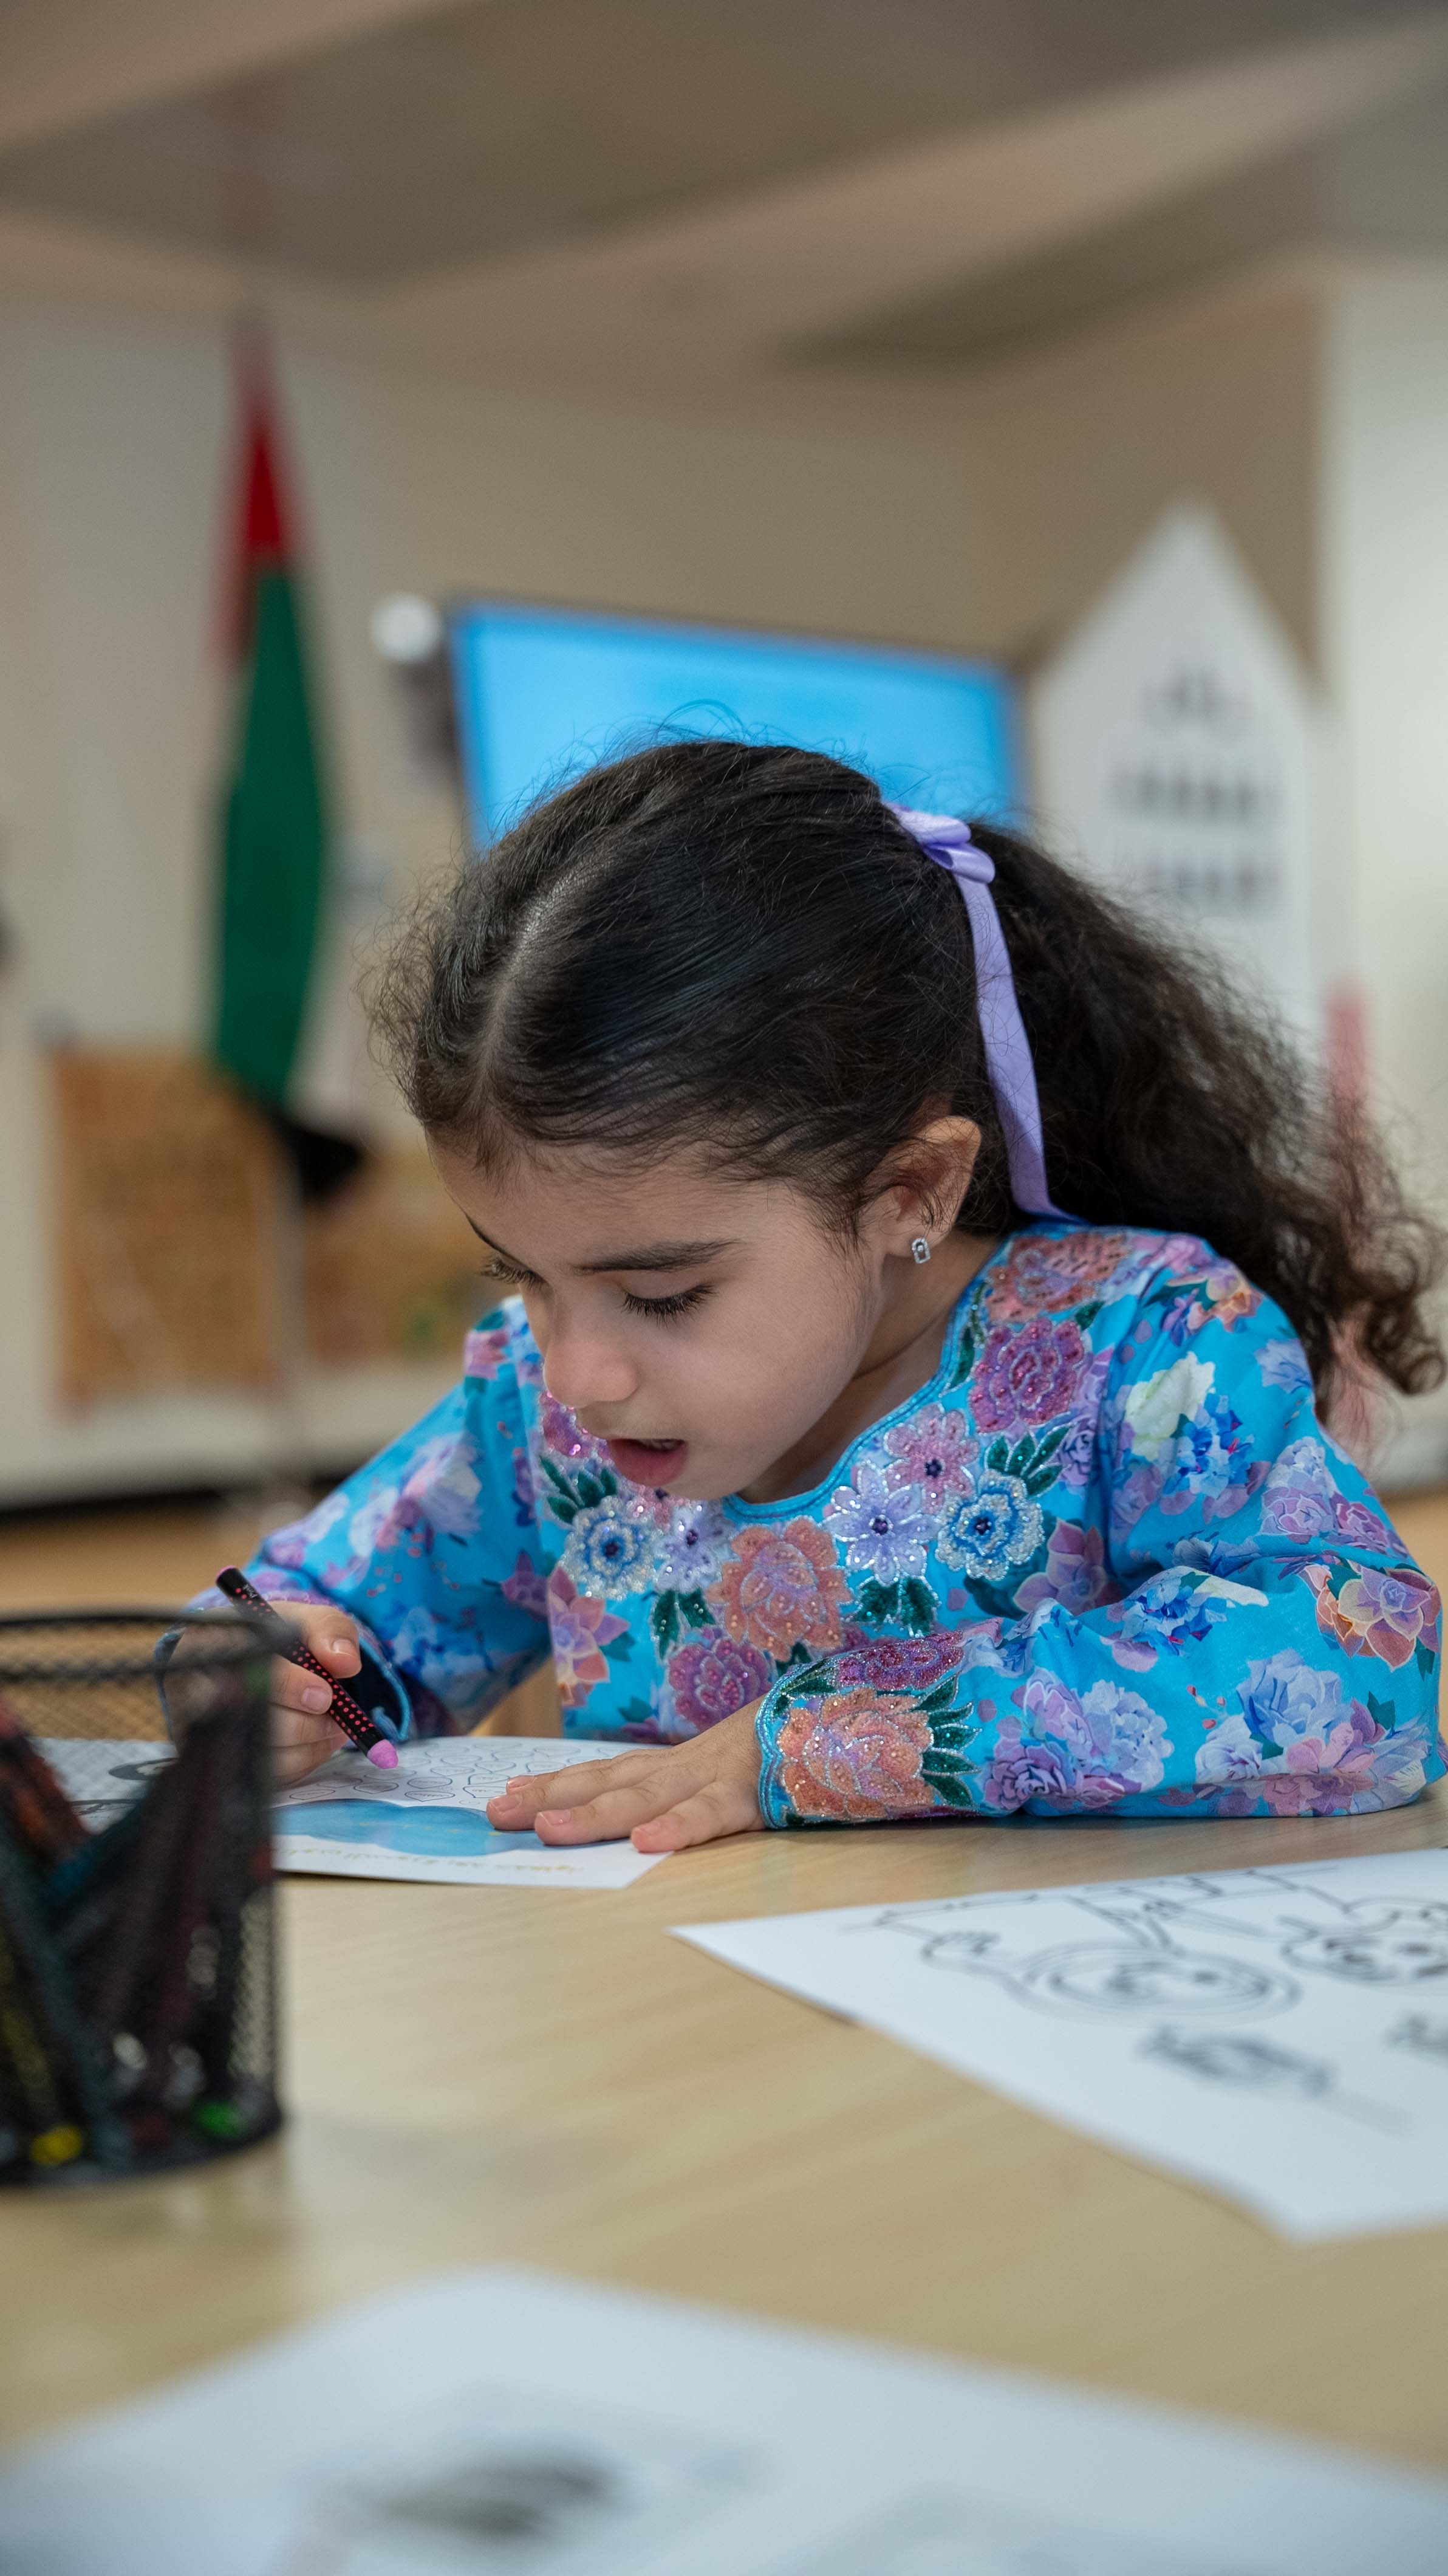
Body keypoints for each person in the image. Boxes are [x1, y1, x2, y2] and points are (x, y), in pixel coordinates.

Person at [228, 740, 1445, 1853]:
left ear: (911, 1190)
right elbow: (319, 1614)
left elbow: (1362, 1663)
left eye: (665, 1293)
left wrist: (825, 1741)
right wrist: (273, 1681)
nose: (576, 1375)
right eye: (521, 1275)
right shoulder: (534, 1412)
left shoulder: (1144, 1346)